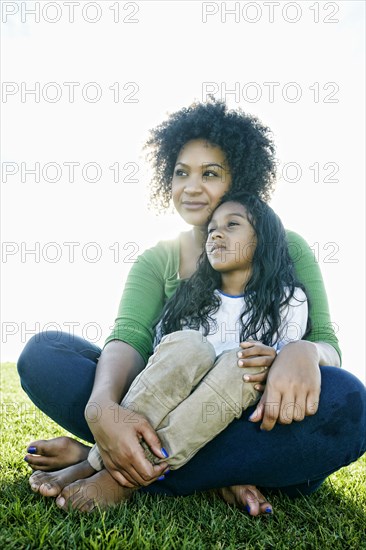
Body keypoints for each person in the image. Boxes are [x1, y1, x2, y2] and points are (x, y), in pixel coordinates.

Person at [18, 99, 366, 515]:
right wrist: (103, 409)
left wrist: (304, 351)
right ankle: (215, 471)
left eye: (211, 173)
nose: (191, 186)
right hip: (160, 396)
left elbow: (325, 340)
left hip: (249, 411)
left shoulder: (286, 247)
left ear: (241, 180)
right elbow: (130, 339)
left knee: (350, 403)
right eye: (181, 172)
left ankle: (102, 464)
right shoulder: (158, 258)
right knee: (45, 355)